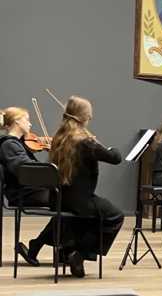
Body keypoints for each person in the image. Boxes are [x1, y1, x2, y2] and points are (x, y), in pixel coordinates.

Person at [48, 96, 124, 277]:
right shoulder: (85, 142)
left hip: (59, 198)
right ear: (84, 117)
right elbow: (115, 158)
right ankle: (79, 254)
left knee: (88, 218)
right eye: (89, 115)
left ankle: (69, 251)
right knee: (115, 216)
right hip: (80, 200)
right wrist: (111, 148)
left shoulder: (59, 138)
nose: (91, 118)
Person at [0, 107, 55, 267]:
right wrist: (51, 169)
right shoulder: (9, 145)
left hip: (31, 190)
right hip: (23, 193)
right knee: (70, 201)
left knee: (73, 201)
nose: (30, 124)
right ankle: (59, 248)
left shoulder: (18, 144)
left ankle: (47, 246)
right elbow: (27, 171)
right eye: (27, 120)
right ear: (17, 122)